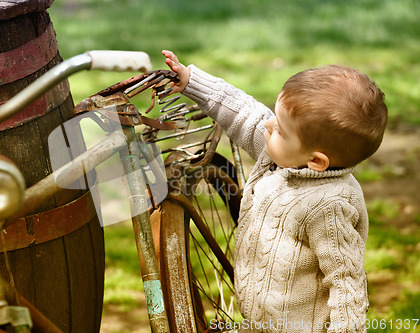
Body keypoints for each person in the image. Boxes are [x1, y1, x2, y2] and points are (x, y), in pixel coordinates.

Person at [162, 50, 388, 332]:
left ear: (316, 161)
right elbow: (246, 114)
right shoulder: (283, 156)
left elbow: (347, 283)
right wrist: (192, 81)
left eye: (280, 129)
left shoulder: (330, 205)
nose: (269, 125)